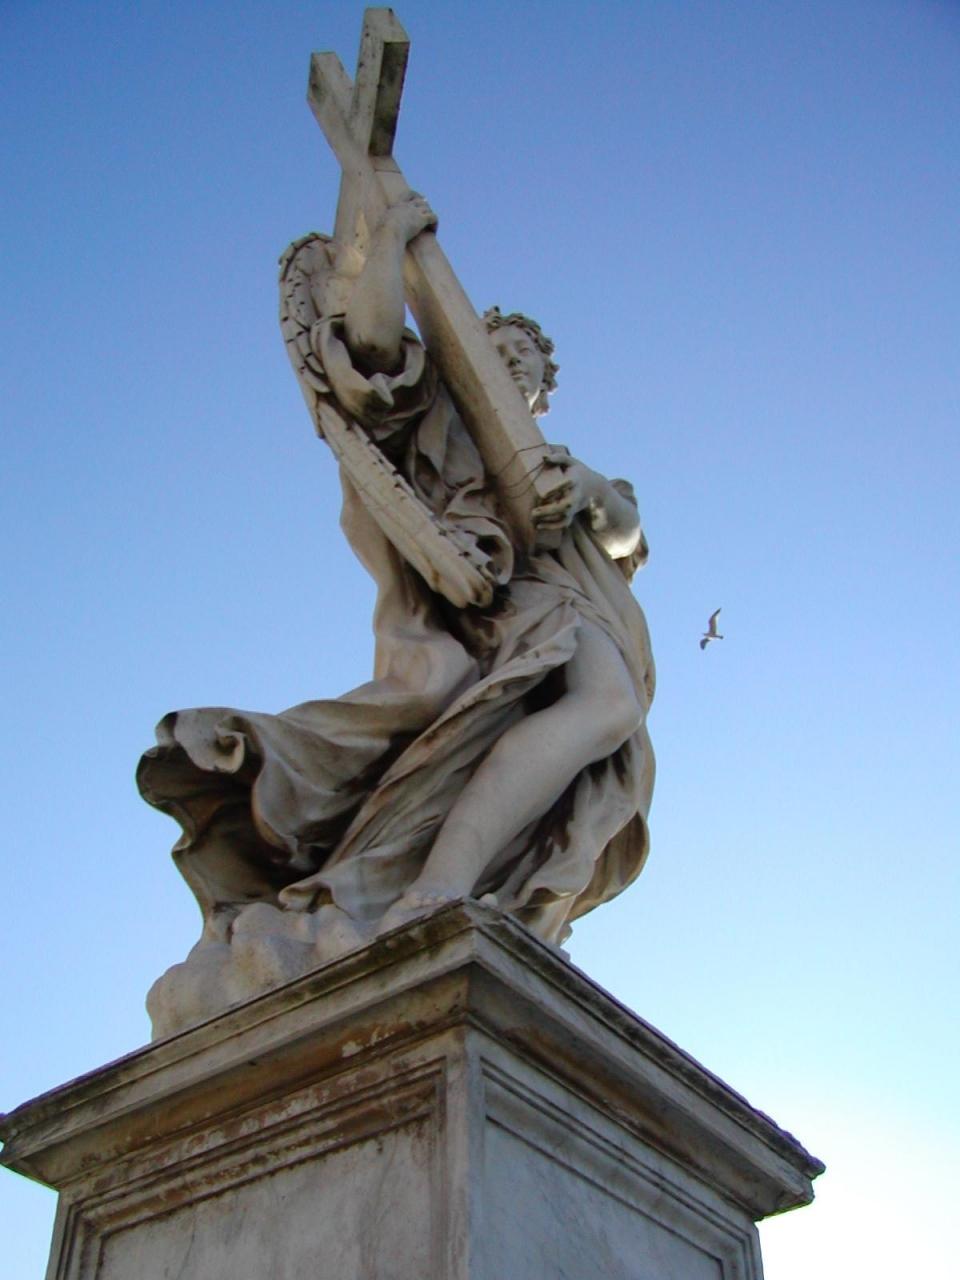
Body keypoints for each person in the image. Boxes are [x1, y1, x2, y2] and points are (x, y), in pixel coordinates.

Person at [138, 191, 655, 1016]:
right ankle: (438, 886)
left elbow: (627, 535)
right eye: (498, 349)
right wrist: (391, 239)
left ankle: (461, 887)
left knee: (601, 732)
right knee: (606, 705)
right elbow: (373, 355)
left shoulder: (557, 459)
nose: (514, 364)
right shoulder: (443, 418)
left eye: (528, 363)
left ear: (543, 394)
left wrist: (588, 490)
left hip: (582, 604)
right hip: (504, 608)